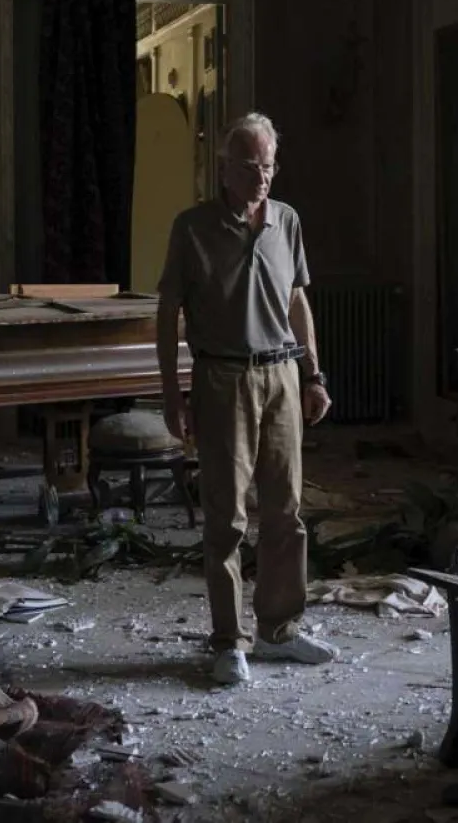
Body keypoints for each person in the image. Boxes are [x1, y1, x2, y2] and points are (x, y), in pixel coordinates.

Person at [156, 112, 336, 685]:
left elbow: (298, 302)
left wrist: (314, 375)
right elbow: (167, 312)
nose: (262, 177)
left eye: (269, 166)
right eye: (251, 166)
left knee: (285, 511)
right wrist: (171, 392)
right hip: (222, 379)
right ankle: (228, 641)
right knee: (226, 517)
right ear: (225, 168)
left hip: (282, 376)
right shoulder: (192, 228)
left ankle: (278, 630)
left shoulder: (287, 221)